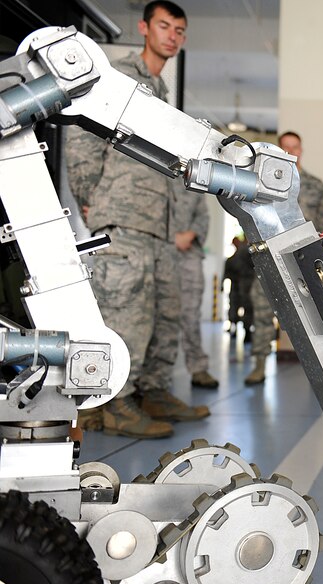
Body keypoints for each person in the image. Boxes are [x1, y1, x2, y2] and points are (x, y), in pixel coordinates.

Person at [66, 0, 208, 438]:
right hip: (124, 218)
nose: (172, 36)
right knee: (126, 313)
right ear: (145, 28)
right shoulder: (120, 77)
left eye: (179, 31)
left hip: (158, 226)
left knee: (164, 313)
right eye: (164, 26)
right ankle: (114, 403)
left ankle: (153, 391)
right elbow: (82, 136)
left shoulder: (160, 91)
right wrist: (92, 197)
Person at [245, 131, 323, 384]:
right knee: (262, 309)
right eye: (285, 147)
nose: (290, 152)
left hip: (302, 259)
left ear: (301, 150)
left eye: (295, 147)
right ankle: (259, 364)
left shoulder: (315, 185)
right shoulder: (262, 182)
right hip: (269, 255)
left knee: (314, 315)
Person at [171, 184, 219, 389]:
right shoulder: (154, 174)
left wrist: (188, 236)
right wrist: (170, 238)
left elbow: (203, 216)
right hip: (158, 251)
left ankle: (198, 367)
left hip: (189, 253)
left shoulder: (192, 182)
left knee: (191, 315)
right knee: (157, 314)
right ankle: (153, 374)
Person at [224, 235, 254, 338]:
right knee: (234, 307)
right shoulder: (234, 257)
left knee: (247, 307)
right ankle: (235, 327)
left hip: (246, 285)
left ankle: (247, 331)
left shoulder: (244, 252)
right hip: (237, 286)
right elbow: (227, 272)